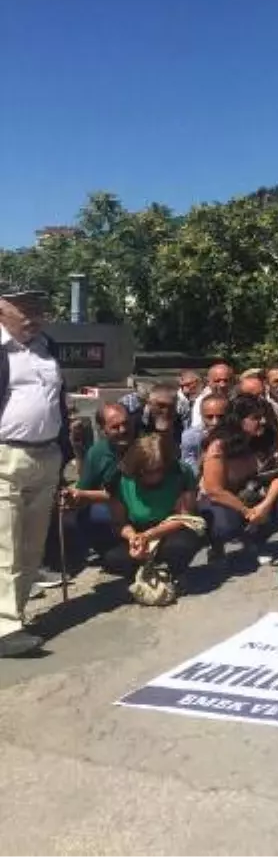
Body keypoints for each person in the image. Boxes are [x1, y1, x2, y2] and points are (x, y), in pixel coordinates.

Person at [0, 281, 69, 656]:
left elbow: (57, 398)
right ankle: (4, 628)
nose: (34, 317)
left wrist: (64, 450)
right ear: (1, 310)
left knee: (31, 545)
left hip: (46, 456)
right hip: (5, 456)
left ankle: (16, 615)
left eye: (38, 309)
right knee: (4, 544)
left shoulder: (48, 347)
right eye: (24, 309)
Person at [101, 433, 205, 604]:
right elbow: (119, 522)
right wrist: (134, 537)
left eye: (158, 470)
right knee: (113, 558)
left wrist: (150, 535)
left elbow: (184, 517)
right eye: (146, 471)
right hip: (137, 528)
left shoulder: (181, 472)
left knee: (179, 546)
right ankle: (139, 574)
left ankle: (175, 572)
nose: (153, 475)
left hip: (171, 527)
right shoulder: (119, 480)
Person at [197, 394, 278, 569]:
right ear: (239, 420)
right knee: (225, 526)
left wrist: (265, 506)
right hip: (217, 501)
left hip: (251, 496)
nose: (263, 421)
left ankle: (254, 541)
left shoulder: (263, 441)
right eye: (256, 418)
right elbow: (214, 490)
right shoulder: (218, 447)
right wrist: (248, 512)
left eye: (263, 416)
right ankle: (217, 547)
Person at [62, 402, 133, 558]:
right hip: (115, 513)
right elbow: (83, 491)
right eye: (115, 427)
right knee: (76, 515)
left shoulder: (143, 445)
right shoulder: (97, 453)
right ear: (103, 430)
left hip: (146, 510)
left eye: (126, 424)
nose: (123, 430)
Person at [188, 362, 234, 430]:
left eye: (226, 380)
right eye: (217, 381)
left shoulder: (237, 398)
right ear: (208, 382)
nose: (222, 385)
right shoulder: (201, 402)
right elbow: (197, 430)